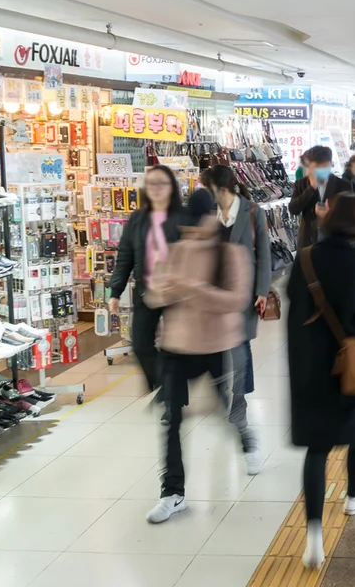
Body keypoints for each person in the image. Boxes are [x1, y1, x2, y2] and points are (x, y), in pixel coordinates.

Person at [286, 193, 355, 568]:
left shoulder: (304, 260)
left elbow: (295, 305)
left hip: (310, 370)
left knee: (316, 450)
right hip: (351, 365)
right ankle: (353, 495)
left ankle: (313, 537)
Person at [144, 189, 251, 524]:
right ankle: (172, 493)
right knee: (172, 421)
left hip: (216, 345)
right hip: (177, 348)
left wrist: (192, 288)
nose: (192, 229)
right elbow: (153, 295)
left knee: (228, 410)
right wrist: (168, 290)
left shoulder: (229, 253)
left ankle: (247, 440)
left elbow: (236, 300)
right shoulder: (173, 251)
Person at [205, 165, 271, 473]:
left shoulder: (253, 211)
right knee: (219, 347)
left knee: (240, 345)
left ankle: (239, 400)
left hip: (243, 293)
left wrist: (262, 291)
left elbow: (264, 254)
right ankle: (225, 395)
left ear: (222, 188)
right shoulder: (210, 214)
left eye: (209, 188)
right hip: (215, 294)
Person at [108, 165, 183, 398]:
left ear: (171, 187)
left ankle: (173, 401)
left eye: (162, 183)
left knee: (177, 346)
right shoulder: (138, 218)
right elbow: (125, 255)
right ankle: (166, 383)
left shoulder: (183, 217)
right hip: (146, 291)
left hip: (177, 293)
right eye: (151, 183)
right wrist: (115, 291)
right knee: (140, 344)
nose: (156, 188)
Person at [288, 146, 347, 249]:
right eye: (316, 167)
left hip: (334, 242)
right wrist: (311, 188)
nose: (319, 169)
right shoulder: (301, 183)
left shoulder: (343, 185)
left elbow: (349, 217)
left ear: (330, 164)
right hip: (308, 241)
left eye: (323, 166)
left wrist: (329, 215)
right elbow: (293, 209)